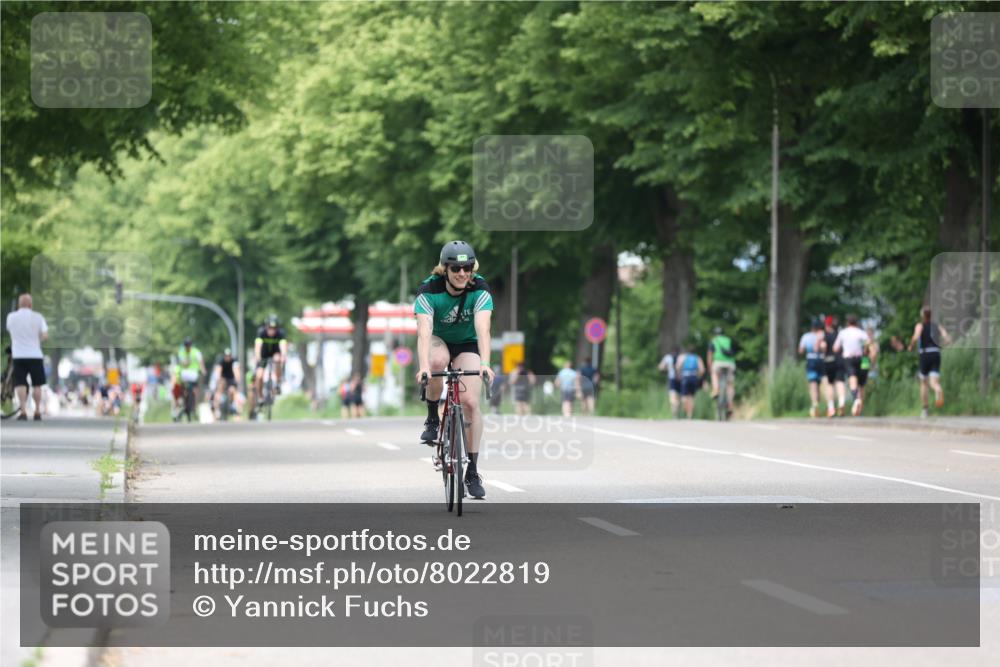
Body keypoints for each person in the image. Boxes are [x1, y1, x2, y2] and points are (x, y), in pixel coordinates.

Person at [414, 240, 495, 500]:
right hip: (439, 339)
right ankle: (432, 416)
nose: (462, 273)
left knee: (470, 401)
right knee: (437, 363)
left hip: (468, 342)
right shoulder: (429, 290)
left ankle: (471, 470)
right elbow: (424, 332)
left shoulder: (480, 288)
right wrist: (424, 367)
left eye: (467, 268)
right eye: (456, 268)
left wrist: (485, 364)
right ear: (444, 269)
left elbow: (483, 328)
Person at [4, 294, 48, 421]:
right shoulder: (38, 317)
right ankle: (37, 411)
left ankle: (23, 411)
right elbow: (45, 336)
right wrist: (36, 340)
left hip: (18, 355)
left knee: (20, 383)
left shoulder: (11, 317)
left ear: (19, 304)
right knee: (37, 384)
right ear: (30, 304)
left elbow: (10, 330)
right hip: (35, 355)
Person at [908, 307, 951, 418]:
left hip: (925, 354)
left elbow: (916, 336)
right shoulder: (937, 326)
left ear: (923, 315)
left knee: (924, 383)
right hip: (936, 353)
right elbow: (947, 337)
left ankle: (925, 409)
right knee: (934, 382)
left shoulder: (920, 325)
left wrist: (911, 345)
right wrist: (944, 345)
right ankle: (938, 390)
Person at [249, 314, 288, 417]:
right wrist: (257, 357)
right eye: (270, 328)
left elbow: (283, 346)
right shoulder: (261, 333)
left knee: (278, 359)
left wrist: (284, 355)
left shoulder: (280, 334)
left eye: (274, 328)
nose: (272, 330)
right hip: (263, 355)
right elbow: (258, 346)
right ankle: (261, 397)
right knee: (259, 376)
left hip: (275, 353)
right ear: (266, 327)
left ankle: (278, 383)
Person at [833, 314, 870, 416]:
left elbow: (835, 348)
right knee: (862, 384)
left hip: (848, 358)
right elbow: (868, 344)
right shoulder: (861, 332)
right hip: (863, 359)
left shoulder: (843, 333)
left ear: (847, 322)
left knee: (852, 379)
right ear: (856, 323)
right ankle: (859, 409)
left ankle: (856, 399)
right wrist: (866, 352)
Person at [798, 318, 826, 418]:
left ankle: (815, 404)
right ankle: (817, 404)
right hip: (821, 361)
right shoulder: (822, 336)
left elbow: (801, 350)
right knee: (818, 384)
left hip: (811, 360)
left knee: (812, 383)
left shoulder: (806, 336)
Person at [173, 337, 206, 421]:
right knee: (183, 388)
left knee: (195, 389)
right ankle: (183, 399)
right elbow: (183, 363)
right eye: (186, 345)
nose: (187, 346)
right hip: (185, 373)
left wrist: (203, 370)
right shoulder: (182, 352)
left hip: (193, 373)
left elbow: (201, 362)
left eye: (189, 345)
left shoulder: (196, 352)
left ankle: (194, 405)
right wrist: (186, 362)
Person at [707, 327, 736, 413]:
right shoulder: (728, 340)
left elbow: (709, 355)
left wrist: (709, 367)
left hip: (718, 363)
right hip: (730, 363)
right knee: (730, 384)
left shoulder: (713, 341)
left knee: (714, 374)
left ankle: (716, 390)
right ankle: (730, 404)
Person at [822, 315, 846, 417]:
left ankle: (831, 408)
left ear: (826, 325)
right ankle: (841, 403)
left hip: (829, 360)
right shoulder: (839, 334)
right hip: (840, 360)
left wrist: (823, 352)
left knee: (830, 384)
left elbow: (823, 346)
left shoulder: (825, 335)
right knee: (840, 382)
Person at [675, 345, 705, 419]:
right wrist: (699, 377)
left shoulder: (684, 357)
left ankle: (687, 411)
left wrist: (678, 375)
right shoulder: (697, 358)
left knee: (684, 397)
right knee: (691, 397)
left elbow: (677, 367)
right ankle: (690, 415)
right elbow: (702, 370)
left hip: (685, 377)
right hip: (694, 377)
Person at [856, 326, 879, 415]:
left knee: (862, 388)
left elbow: (873, 354)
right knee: (863, 388)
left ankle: (860, 409)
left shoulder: (868, 343)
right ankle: (860, 409)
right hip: (867, 364)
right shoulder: (872, 343)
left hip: (865, 363)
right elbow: (873, 355)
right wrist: (872, 365)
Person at [213, 348, 240, 419]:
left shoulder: (234, 361)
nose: (228, 357)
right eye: (226, 356)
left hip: (231, 380)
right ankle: (217, 410)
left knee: (232, 391)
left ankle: (233, 407)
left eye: (229, 356)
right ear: (224, 356)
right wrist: (218, 379)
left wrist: (237, 378)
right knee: (219, 390)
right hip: (223, 379)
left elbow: (236, 371)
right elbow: (218, 371)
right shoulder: (221, 361)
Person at [658, 348, 681, 418]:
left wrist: (667, 369)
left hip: (671, 378)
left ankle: (674, 411)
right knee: (679, 396)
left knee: (672, 395)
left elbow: (660, 367)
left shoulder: (667, 357)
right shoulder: (681, 357)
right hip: (680, 379)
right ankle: (678, 409)